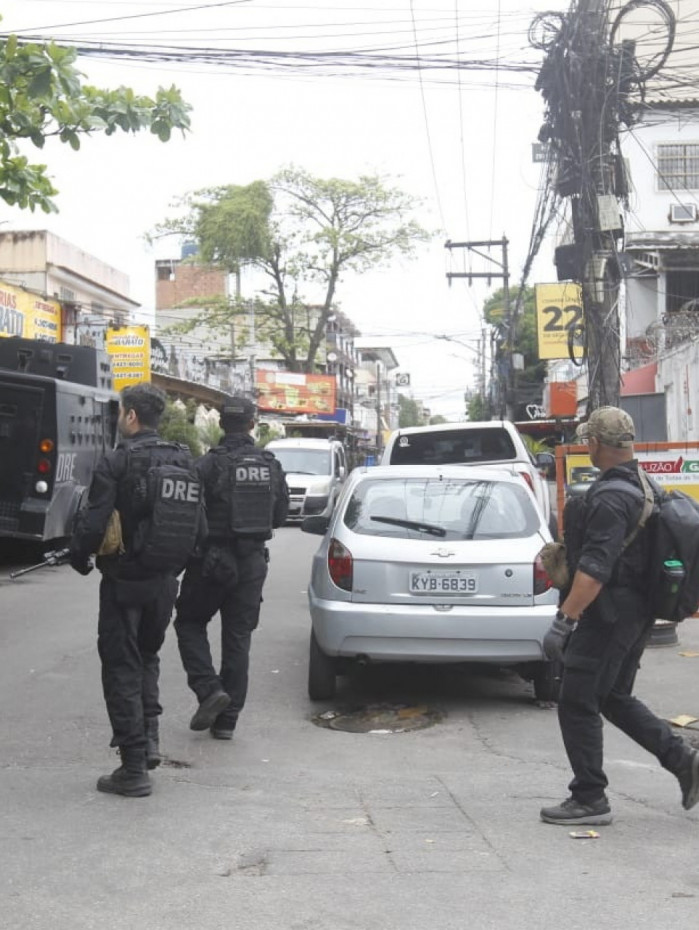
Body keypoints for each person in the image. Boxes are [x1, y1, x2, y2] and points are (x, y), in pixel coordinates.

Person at [541, 406, 699, 825]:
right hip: (637, 613)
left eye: (587, 440)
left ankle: (590, 797)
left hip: (609, 615)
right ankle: (684, 761)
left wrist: (565, 620)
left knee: (576, 698)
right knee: (611, 695)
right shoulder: (643, 484)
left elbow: (595, 569)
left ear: (594, 443)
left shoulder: (611, 497)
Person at [70, 383, 203, 798]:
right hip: (164, 581)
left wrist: (79, 557)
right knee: (147, 659)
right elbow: (199, 527)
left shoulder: (117, 461)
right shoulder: (184, 460)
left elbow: (94, 522)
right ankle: (149, 743)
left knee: (122, 666)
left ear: (130, 416)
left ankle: (132, 768)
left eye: (120, 413)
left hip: (124, 582)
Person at [174, 396, 289, 740]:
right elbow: (280, 516)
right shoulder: (270, 464)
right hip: (252, 562)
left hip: (212, 561)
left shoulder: (206, 465)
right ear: (253, 424)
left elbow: (189, 517)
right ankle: (227, 721)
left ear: (221, 424)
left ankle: (209, 691)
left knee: (189, 623)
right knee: (238, 639)